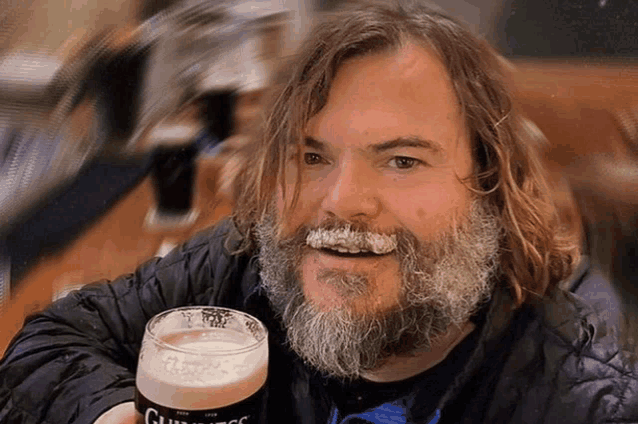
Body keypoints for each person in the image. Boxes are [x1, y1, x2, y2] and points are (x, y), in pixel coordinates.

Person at [1, 1, 636, 423]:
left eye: (402, 160)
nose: (339, 200)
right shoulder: (243, 265)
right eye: (310, 156)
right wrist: (112, 413)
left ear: (489, 189)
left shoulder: (572, 392)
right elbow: (49, 341)